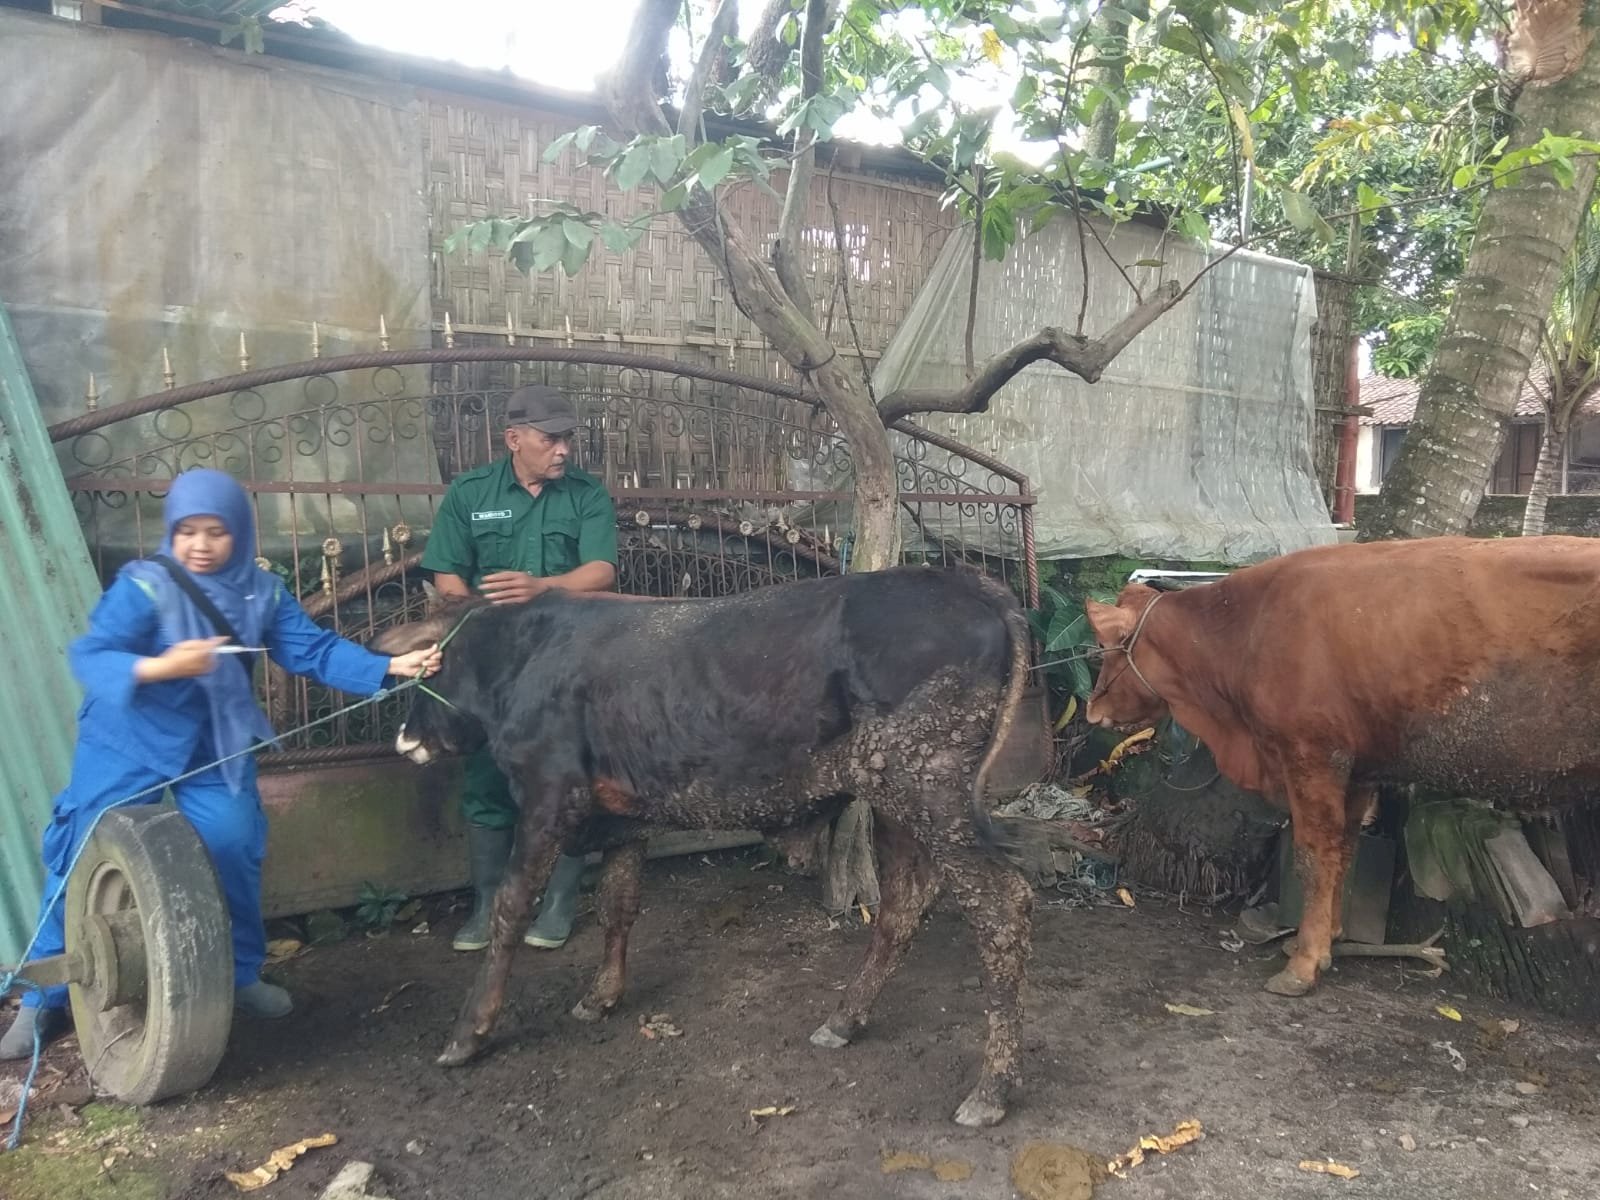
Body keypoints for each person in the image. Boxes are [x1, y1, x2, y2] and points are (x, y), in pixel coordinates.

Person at [0, 468, 441, 1060]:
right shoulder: (145, 586)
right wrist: (162, 666)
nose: (201, 545)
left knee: (233, 844)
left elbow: (310, 649)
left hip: (214, 741)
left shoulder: (261, 593)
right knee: (80, 847)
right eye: (188, 531)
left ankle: (239, 974)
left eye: (216, 531)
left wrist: (388, 667)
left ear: (239, 531)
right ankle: (41, 997)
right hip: (128, 737)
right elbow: (95, 655)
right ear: (171, 530)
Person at [420, 383, 619, 953]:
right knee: (487, 775)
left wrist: (542, 587)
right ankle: (489, 906)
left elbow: (601, 570)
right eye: (550, 439)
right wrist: (471, 614)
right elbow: (446, 572)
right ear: (513, 438)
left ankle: (557, 903)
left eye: (567, 439)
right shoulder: (471, 493)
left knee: (570, 777)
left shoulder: (585, 494)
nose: (563, 450)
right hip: (496, 667)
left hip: (567, 661)